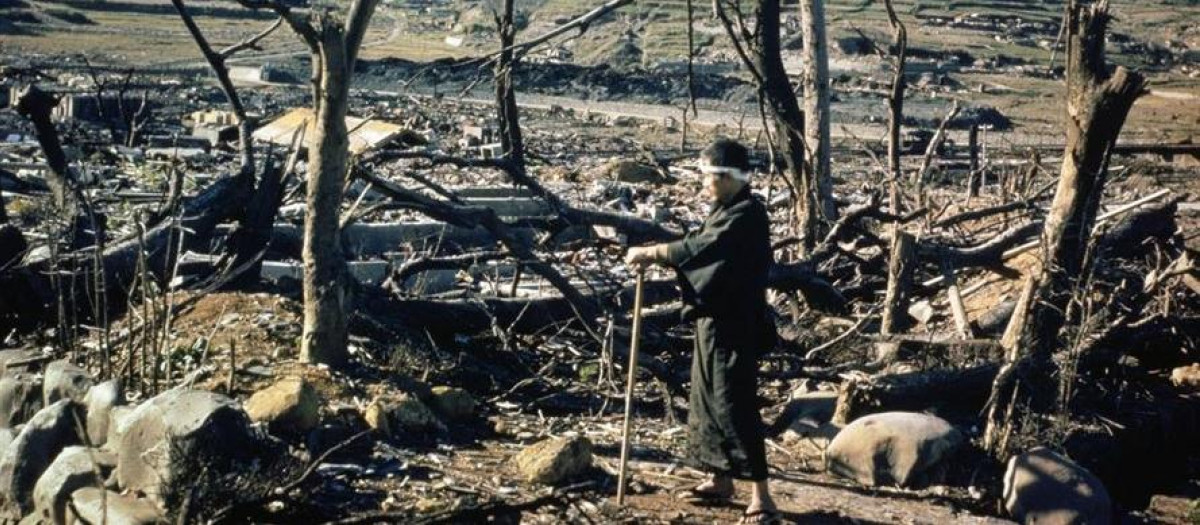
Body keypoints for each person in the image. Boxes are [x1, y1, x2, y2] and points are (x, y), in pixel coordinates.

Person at [625, 138, 779, 524]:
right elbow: (700, 250)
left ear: (728, 177)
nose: (705, 184)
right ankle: (719, 477)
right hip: (713, 320)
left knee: (734, 401)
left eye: (709, 177)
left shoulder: (746, 215)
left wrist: (652, 253)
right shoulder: (724, 208)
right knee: (707, 398)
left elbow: (700, 248)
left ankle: (762, 494)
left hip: (737, 323)